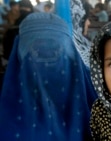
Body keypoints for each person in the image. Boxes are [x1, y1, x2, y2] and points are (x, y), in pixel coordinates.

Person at [0, 12, 97, 141]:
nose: (46, 58)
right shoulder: (92, 92)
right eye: (36, 51)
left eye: (56, 50)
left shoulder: (102, 97)